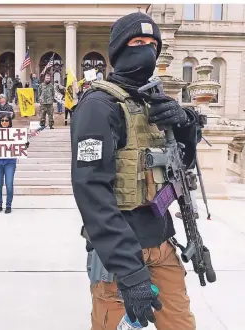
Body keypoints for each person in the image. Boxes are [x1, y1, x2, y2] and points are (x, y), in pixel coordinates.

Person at [70, 12, 201, 330]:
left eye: (153, 44)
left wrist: (184, 127)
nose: (146, 50)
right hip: (119, 257)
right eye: (137, 42)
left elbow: (179, 168)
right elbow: (91, 193)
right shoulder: (98, 106)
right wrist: (130, 272)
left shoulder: (154, 102)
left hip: (163, 245)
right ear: (118, 50)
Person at [0, 114, 28, 214]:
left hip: (10, 162)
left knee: (9, 184)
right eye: (2, 120)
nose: (4, 122)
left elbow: (20, 145)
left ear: (9, 122)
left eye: (6, 120)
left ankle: (8, 205)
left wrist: (24, 144)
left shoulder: (14, 133)